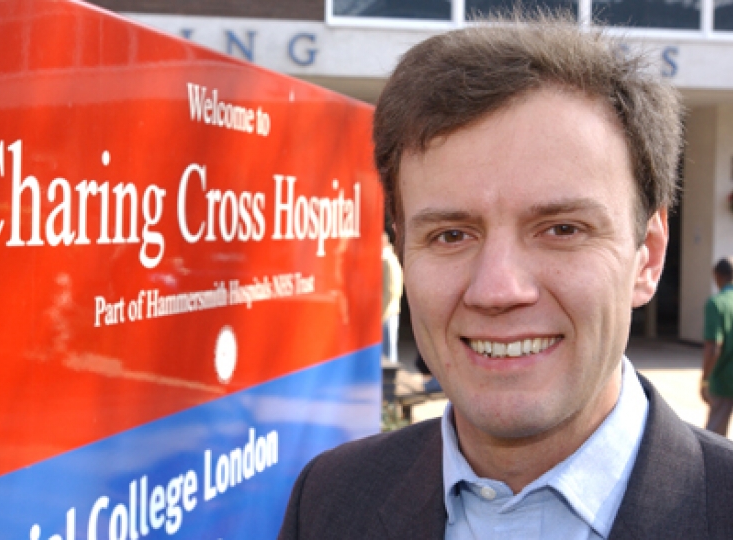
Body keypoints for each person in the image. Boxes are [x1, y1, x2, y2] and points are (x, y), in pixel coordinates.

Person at [278, 12, 733, 540]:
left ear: (647, 257)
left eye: (562, 229)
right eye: (451, 234)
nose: (497, 290)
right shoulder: (328, 501)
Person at [702, 257, 733, 436]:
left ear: (717, 276)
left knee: (715, 437)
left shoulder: (716, 303)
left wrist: (705, 379)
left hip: (724, 382)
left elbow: (714, 348)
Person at [382, 232, 403, 363]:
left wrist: (382, 313)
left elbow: (391, 290)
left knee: (389, 350)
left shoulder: (387, 260)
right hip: (388, 310)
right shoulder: (388, 259)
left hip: (388, 311)